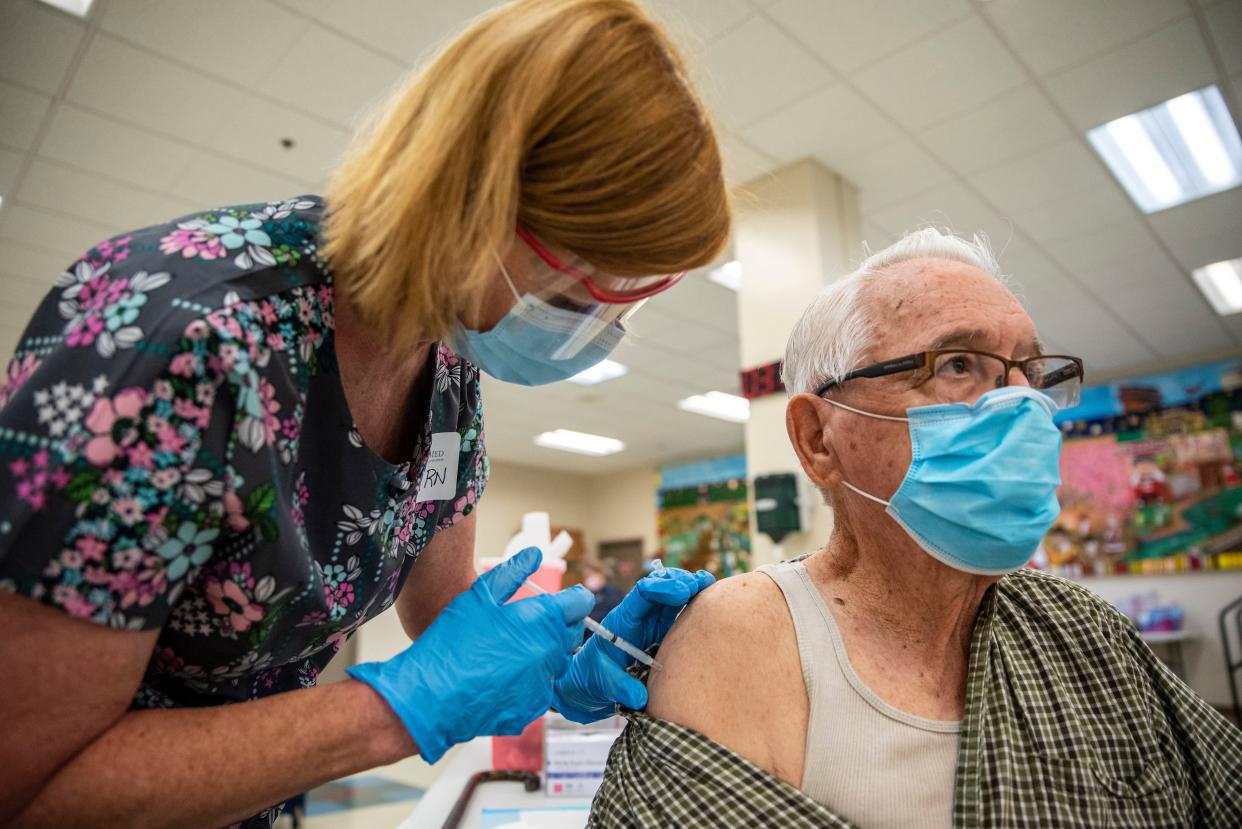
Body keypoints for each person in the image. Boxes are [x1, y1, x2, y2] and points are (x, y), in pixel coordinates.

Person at [0, 1, 727, 826]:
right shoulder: (177, 344)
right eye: (587, 289)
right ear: (474, 205)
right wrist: (392, 711)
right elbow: (26, 785)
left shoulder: (448, 362)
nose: (592, 328)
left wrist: (574, 648)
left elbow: (450, 619)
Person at [590, 228, 1242, 828]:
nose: (1021, 405)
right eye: (957, 364)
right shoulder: (742, 634)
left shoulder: (1082, 629)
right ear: (818, 438)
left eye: (1032, 374)